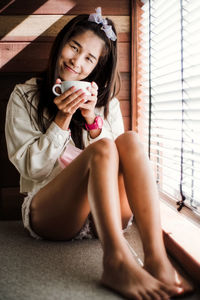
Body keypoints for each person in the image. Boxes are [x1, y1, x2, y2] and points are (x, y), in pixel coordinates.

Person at [5, 7, 190, 300]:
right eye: (74, 47)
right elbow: (32, 169)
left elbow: (120, 163)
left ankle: (156, 258)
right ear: (61, 44)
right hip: (54, 216)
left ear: (96, 68)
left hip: (110, 214)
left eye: (89, 58)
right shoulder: (24, 96)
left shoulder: (106, 104)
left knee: (128, 140)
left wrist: (92, 120)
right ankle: (115, 260)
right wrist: (61, 120)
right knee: (104, 148)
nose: (76, 62)